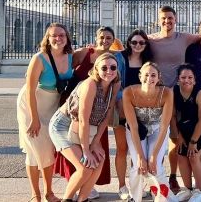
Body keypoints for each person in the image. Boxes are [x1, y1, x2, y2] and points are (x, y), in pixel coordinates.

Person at [53, 26, 117, 200]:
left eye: (109, 38)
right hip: (75, 109)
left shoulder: (113, 63)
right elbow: (64, 69)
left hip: (97, 112)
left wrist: (94, 143)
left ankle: (86, 187)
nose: (105, 40)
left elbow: (108, 110)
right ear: (96, 38)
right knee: (79, 151)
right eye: (102, 37)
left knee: (96, 152)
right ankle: (73, 183)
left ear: (113, 41)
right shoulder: (84, 53)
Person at [17, 22, 73, 202]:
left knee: (47, 148)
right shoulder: (39, 58)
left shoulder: (71, 56)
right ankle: (36, 194)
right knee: (35, 149)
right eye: (54, 35)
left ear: (67, 38)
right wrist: (34, 119)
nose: (58, 38)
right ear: (47, 39)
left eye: (62, 35)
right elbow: (30, 90)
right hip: (31, 106)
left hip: (52, 106)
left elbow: (95, 53)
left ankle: (49, 192)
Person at [147, 5, 201, 193]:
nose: (167, 21)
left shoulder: (184, 38)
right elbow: (130, 47)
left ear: (175, 19)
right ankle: (156, 175)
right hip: (157, 95)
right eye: (163, 18)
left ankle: (171, 176)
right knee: (155, 138)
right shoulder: (150, 39)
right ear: (158, 20)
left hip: (177, 94)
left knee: (174, 137)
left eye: (170, 18)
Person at [123, 62, 175, 202]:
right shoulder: (129, 92)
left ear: (159, 77)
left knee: (155, 165)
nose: (149, 78)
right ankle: (136, 197)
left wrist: (153, 156)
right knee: (138, 166)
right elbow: (133, 126)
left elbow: (164, 125)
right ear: (140, 76)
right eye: (146, 74)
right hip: (137, 130)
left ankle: (162, 197)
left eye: (153, 75)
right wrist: (141, 156)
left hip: (157, 128)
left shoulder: (167, 93)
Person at [113, 29, 154, 200]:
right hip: (122, 108)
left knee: (138, 150)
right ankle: (122, 187)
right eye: (134, 42)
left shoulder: (148, 61)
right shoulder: (120, 58)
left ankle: (136, 186)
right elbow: (114, 80)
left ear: (146, 45)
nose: (138, 45)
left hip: (142, 111)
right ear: (129, 43)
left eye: (142, 42)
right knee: (122, 148)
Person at [172, 64, 201, 202]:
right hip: (184, 127)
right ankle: (188, 190)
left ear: (195, 80)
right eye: (183, 77)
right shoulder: (174, 91)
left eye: (190, 77)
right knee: (181, 155)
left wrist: (193, 142)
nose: (186, 80)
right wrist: (179, 136)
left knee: (193, 156)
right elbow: (172, 116)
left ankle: (200, 191)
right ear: (178, 79)